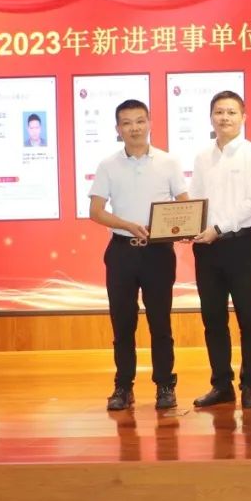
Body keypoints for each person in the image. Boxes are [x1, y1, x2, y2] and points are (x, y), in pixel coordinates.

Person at [88, 99, 188, 411]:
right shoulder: (108, 165)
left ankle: (165, 386)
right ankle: (123, 386)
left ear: (150, 123)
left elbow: (184, 204)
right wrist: (128, 225)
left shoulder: (168, 162)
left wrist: (181, 226)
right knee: (123, 323)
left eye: (140, 121)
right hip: (121, 253)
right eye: (127, 123)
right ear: (118, 129)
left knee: (161, 323)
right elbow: (96, 211)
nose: (135, 128)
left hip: (158, 253)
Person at [189, 91, 251, 409]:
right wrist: (189, 226)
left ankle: (250, 385)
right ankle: (221, 384)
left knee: (248, 318)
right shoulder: (202, 157)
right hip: (206, 249)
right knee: (213, 319)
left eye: (231, 112)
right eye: (219, 112)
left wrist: (218, 229)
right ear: (211, 117)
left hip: (241, 245)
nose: (225, 118)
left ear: (243, 117)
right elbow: (196, 198)